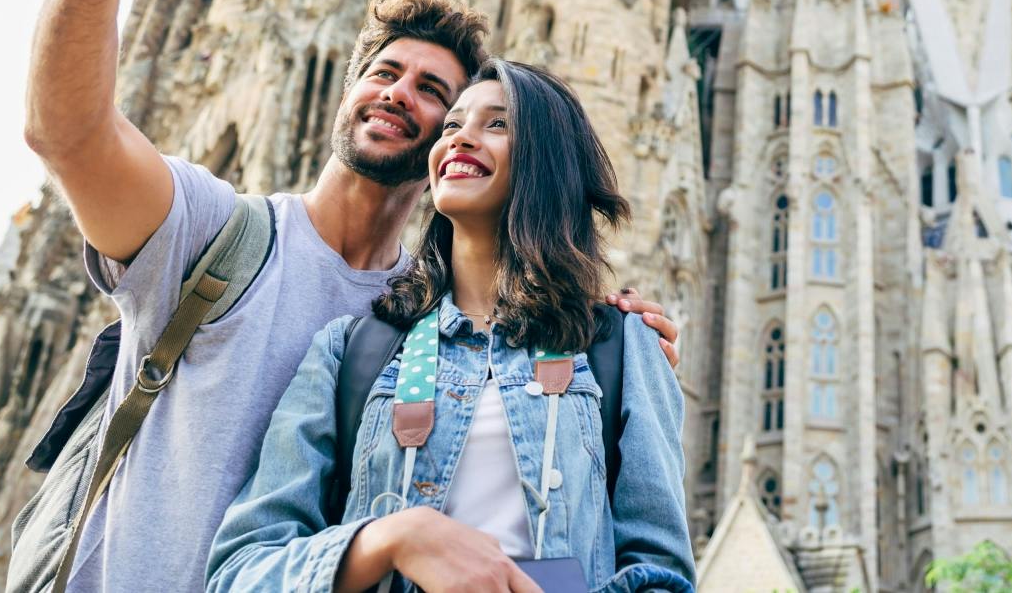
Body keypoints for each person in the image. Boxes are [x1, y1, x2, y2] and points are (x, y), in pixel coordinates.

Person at [24, 0, 680, 591]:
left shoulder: (417, 329)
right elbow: (69, 133)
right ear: (345, 88)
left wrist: (605, 327)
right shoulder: (218, 235)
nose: (399, 93)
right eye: (382, 71)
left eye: (437, 90)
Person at [208, 59, 695, 593]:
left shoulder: (622, 345)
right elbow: (241, 571)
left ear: (548, 159)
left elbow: (661, 572)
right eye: (452, 126)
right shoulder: (353, 350)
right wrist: (392, 540)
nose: (461, 140)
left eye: (498, 124)